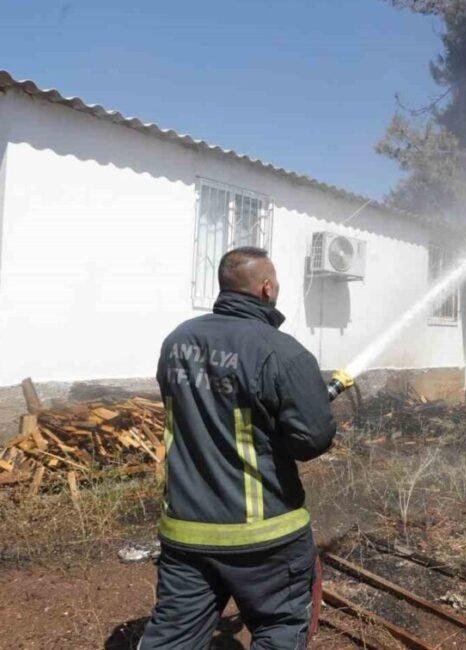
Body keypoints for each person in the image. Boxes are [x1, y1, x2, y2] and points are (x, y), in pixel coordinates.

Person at [140, 247, 336, 650]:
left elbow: (213, 408)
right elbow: (311, 441)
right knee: (280, 628)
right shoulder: (281, 351)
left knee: (173, 638)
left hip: (186, 529)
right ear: (266, 287)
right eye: (276, 279)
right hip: (264, 536)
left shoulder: (177, 341)